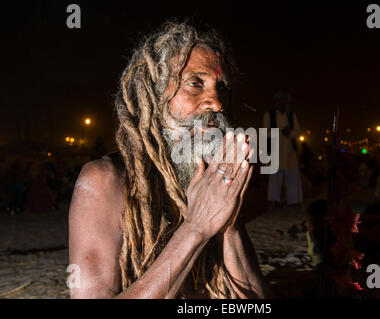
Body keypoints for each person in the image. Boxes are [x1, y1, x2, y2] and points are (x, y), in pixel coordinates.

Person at [68, 21, 273, 299]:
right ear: (155, 94)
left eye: (222, 86)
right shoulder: (103, 180)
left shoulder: (213, 179)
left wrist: (230, 226)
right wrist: (196, 228)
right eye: (195, 83)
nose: (217, 102)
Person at [263, 91, 303, 208]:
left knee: (293, 176)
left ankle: (294, 201)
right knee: (275, 178)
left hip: (290, 151)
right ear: (275, 103)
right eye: (279, 101)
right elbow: (265, 132)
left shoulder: (291, 115)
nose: (281, 103)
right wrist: (280, 131)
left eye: (283, 101)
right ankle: (274, 201)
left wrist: (290, 133)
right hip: (276, 151)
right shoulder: (269, 115)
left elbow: (298, 131)